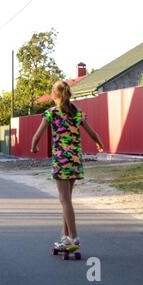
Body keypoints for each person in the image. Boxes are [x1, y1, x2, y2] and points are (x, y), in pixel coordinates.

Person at [31, 80, 104, 250]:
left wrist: (34, 147)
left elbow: (36, 136)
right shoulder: (77, 113)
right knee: (68, 201)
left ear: (54, 95)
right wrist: (99, 143)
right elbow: (92, 132)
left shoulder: (51, 113)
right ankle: (64, 238)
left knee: (64, 200)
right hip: (75, 159)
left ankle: (75, 236)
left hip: (61, 161)